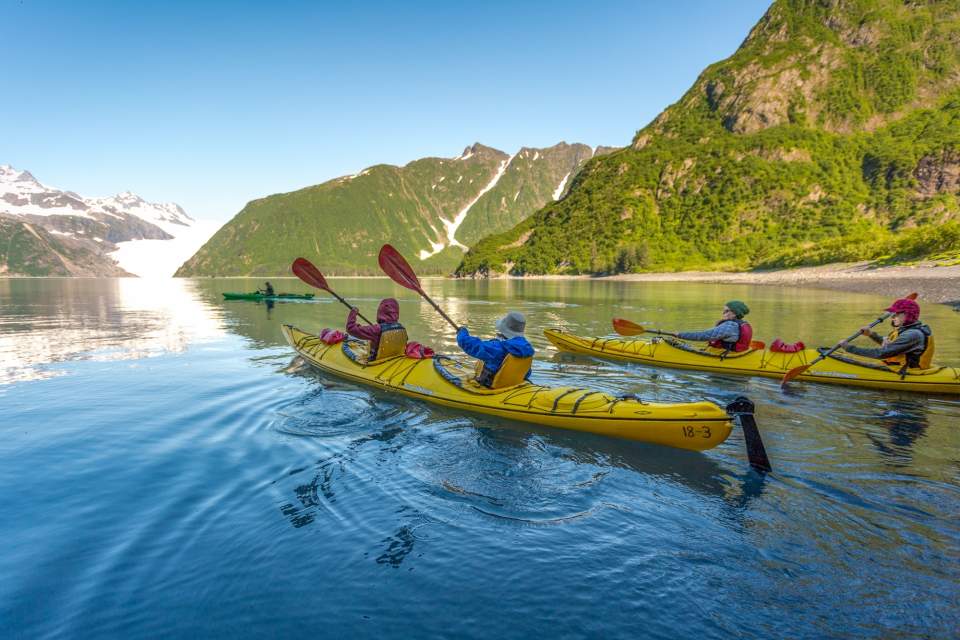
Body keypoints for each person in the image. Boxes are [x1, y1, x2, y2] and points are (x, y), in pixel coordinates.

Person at [840, 298, 935, 370]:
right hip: (899, 368)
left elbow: (882, 353)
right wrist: (871, 334)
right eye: (892, 315)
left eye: (896, 314)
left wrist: (849, 348)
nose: (892, 317)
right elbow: (891, 346)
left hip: (907, 371)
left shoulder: (912, 334)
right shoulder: (906, 329)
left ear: (908, 315)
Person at [457, 311, 535, 388]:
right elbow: (527, 373)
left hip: (491, 387)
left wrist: (462, 332)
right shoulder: (527, 349)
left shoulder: (498, 347)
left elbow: (470, 344)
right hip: (513, 386)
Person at [675, 300, 753, 352]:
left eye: (726, 311)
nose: (723, 313)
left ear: (735, 313)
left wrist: (680, 335)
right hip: (734, 352)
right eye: (723, 310)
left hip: (727, 355)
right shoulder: (741, 323)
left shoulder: (730, 326)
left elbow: (704, 335)